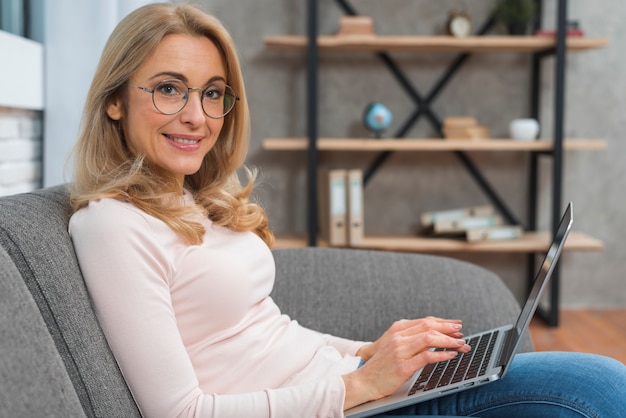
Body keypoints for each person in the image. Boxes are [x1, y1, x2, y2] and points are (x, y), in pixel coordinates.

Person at [68, 3, 626, 418]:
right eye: (170, 89)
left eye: (213, 93)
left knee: (590, 383)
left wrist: (371, 353)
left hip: (351, 390)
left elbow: (269, 331)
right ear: (114, 100)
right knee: (599, 390)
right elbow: (181, 412)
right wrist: (360, 386)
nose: (197, 115)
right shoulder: (113, 226)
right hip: (341, 406)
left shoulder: (188, 198)